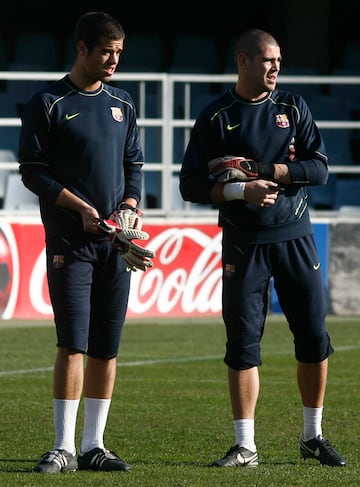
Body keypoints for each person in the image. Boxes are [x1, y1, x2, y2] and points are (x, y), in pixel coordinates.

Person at [179, 28, 346, 468]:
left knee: (313, 338)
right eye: (268, 60)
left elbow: (321, 168)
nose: (276, 68)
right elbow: (191, 184)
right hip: (244, 243)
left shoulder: (293, 107)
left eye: (279, 61)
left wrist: (272, 170)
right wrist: (240, 192)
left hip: (295, 236)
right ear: (244, 62)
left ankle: (312, 436)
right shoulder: (215, 116)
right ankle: (246, 446)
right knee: (243, 343)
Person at [18, 11, 154, 474]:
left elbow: (134, 162)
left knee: (106, 347)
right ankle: (63, 446)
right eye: (105, 52)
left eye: (118, 52)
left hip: (115, 244)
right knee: (72, 342)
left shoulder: (124, 104)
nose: (113, 60)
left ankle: (94, 445)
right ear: (82, 49)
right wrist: (79, 208)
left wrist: (130, 207)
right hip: (69, 243)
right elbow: (32, 171)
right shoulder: (48, 102)